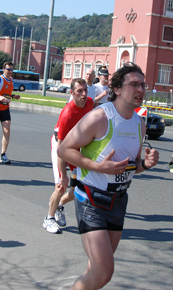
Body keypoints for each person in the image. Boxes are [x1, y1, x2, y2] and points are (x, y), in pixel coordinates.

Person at [57, 62, 159, 290]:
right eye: (134, 84)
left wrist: (146, 164)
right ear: (118, 89)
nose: (141, 89)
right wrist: (97, 167)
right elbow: (64, 149)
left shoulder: (139, 124)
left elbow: (129, 167)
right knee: (104, 271)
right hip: (91, 200)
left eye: (143, 84)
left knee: (96, 270)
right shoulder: (100, 117)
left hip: (118, 202)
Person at [44, 78, 94, 234]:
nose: (84, 94)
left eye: (85, 90)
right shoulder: (67, 113)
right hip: (61, 146)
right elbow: (61, 149)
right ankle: (49, 219)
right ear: (71, 93)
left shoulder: (90, 103)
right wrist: (64, 175)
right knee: (61, 186)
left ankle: (59, 205)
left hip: (77, 145)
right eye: (79, 91)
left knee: (81, 187)